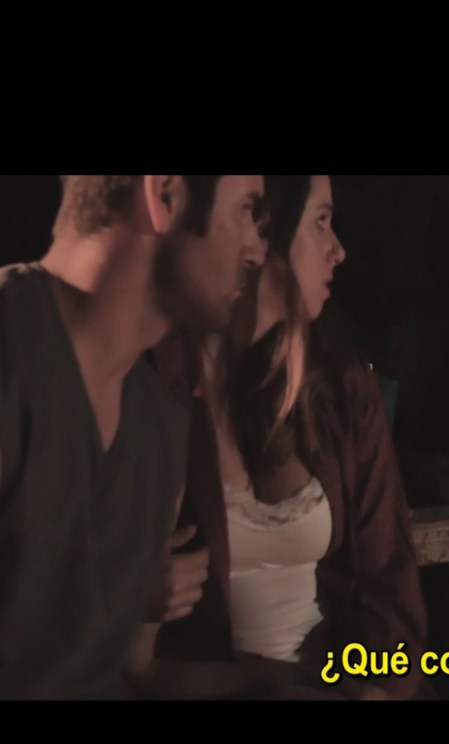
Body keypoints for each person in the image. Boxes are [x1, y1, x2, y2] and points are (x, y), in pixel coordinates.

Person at [151, 175, 430, 700]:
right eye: (321, 222)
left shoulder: (341, 387)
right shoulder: (162, 379)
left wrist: (377, 686)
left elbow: (389, 577)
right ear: (267, 229)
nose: (338, 250)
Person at [0, 175, 266, 699]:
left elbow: (129, 671)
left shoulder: (159, 427)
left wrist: (290, 682)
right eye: (246, 210)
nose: (257, 249)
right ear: (164, 195)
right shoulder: (12, 353)